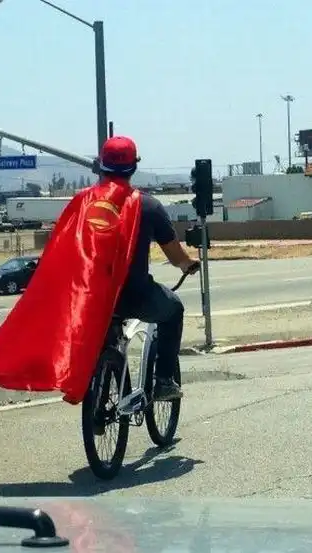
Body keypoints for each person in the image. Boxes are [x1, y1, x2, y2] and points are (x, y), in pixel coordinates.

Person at [100, 136, 200, 401]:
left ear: (101, 166)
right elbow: (176, 256)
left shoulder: (84, 204)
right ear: (134, 167)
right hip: (135, 295)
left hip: (92, 296)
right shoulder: (148, 206)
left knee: (101, 338)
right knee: (174, 309)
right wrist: (188, 264)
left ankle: (95, 387)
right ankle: (164, 381)